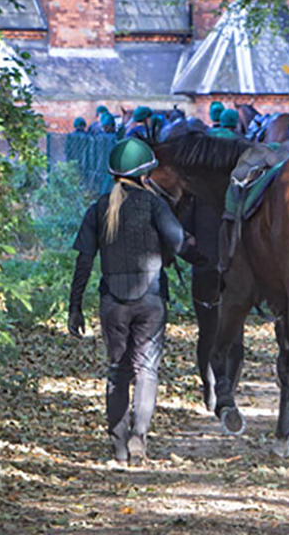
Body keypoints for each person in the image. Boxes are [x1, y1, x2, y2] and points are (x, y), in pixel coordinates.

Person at [68, 138, 204, 466]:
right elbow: (179, 244)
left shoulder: (98, 208)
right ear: (146, 176)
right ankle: (138, 439)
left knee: (117, 371)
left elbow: (84, 261)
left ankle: (117, 447)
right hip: (151, 302)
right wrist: (205, 257)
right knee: (146, 371)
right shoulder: (155, 206)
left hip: (112, 303)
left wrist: (75, 306)